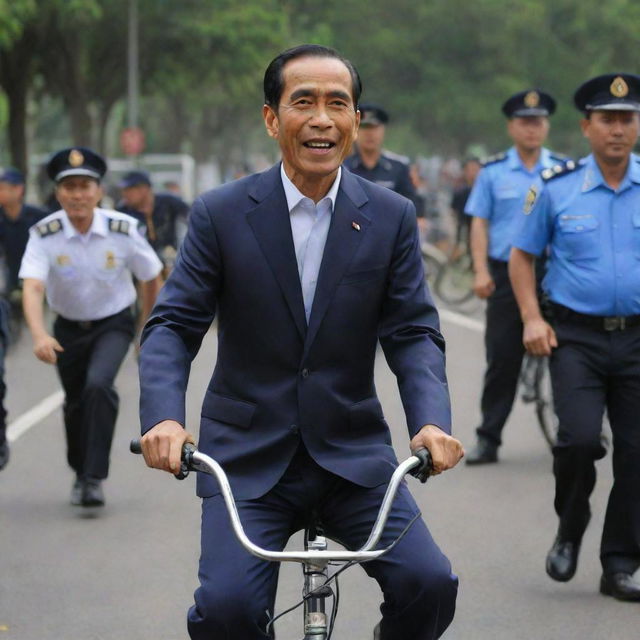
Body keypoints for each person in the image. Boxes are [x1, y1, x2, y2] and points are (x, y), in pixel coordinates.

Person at [138, 44, 464, 639]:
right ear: (272, 118)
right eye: (303, 102)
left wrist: (432, 422)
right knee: (227, 612)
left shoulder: (390, 215)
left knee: (430, 583)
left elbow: (413, 331)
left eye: (338, 103)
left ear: (356, 121)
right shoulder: (221, 213)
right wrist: (164, 417)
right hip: (244, 459)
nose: (322, 118)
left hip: (352, 458)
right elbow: (173, 325)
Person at [509, 73, 640, 601]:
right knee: (579, 441)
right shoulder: (556, 188)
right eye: (607, 119)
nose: (617, 129)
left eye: (627, 119)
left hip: (637, 339)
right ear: (586, 127)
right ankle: (571, 523)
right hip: (576, 339)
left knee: (636, 451)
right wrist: (530, 319)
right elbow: (521, 256)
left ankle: (621, 562)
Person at [19, 147, 163, 507]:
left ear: (99, 191)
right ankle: (80, 470)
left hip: (113, 323)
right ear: (58, 194)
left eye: (85, 187)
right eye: (69, 188)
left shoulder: (122, 229)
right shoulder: (44, 233)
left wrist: (148, 328)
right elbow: (33, 286)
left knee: (99, 385)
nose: (78, 195)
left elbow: (151, 277)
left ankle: (93, 476)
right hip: (67, 328)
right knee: (75, 403)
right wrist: (39, 334)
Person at [464, 89, 567, 464]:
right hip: (505, 275)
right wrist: (478, 270)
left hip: (555, 272)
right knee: (503, 358)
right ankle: (488, 438)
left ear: (547, 126)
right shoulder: (492, 173)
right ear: (511, 127)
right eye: (525, 122)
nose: (532, 128)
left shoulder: (563, 170)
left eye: (538, 122)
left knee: (568, 352)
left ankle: (571, 434)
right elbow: (480, 223)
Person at [344, 103, 422, 213]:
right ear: (355, 130)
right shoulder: (343, 168)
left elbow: (412, 206)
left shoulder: (399, 168)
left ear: (383, 130)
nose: (370, 133)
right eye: (364, 127)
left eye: (375, 127)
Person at [117, 170, 189, 275]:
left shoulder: (169, 202)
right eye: (124, 190)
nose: (124, 194)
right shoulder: (122, 211)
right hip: (140, 266)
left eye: (129, 189)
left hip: (172, 259)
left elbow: (191, 217)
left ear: (144, 189)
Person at [450, 157, 480, 250]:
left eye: (475, 169)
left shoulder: (487, 193)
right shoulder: (460, 192)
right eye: (469, 170)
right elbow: (454, 211)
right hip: (465, 229)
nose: (473, 173)